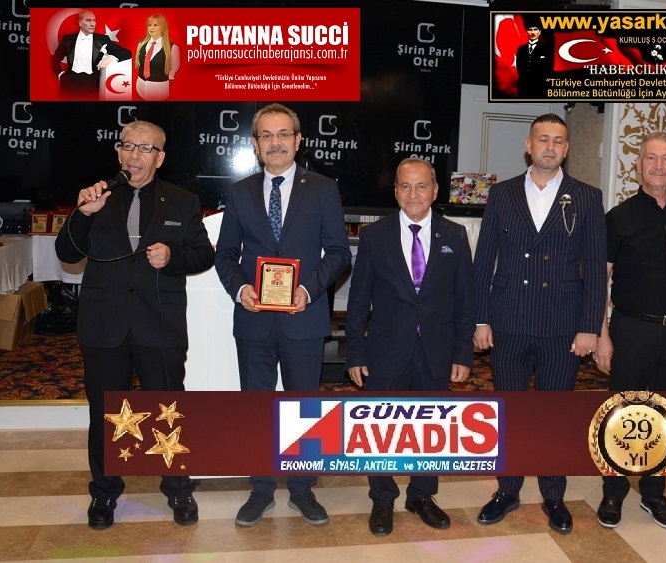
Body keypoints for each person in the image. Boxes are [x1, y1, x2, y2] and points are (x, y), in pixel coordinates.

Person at [54, 120, 215, 529]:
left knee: (168, 410)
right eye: (128, 146)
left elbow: (203, 254)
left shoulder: (182, 200)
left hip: (158, 323)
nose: (134, 155)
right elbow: (67, 254)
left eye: (145, 148)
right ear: (118, 152)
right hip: (103, 324)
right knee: (105, 412)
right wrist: (82, 214)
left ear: (160, 158)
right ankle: (104, 492)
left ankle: (178, 488)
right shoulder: (97, 197)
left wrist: (173, 257)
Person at [215, 103, 351, 528]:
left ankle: (302, 488)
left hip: (303, 319)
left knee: (304, 407)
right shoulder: (240, 192)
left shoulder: (323, 189)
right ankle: (259, 489)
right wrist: (241, 289)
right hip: (253, 319)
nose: (275, 143)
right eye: (267, 135)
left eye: (283, 134)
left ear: (298, 140)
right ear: (256, 144)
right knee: (256, 406)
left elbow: (338, 253)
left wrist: (307, 290)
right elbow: (225, 255)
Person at [472, 113, 607, 533]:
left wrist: (590, 326)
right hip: (509, 320)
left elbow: (595, 268)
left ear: (566, 149)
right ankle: (507, 490)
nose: (550, 147)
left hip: (562, 325)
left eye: (558, 140)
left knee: (553, 415)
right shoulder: (502, 194)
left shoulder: (586, 196)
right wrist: (480, 318)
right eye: (543, 139)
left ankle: (553, 496)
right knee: (509, 412)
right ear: (528, 145)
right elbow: (484, 260)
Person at [345, 158, 475, 536]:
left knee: (431, 427)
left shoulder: (455, 235)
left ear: (435, 191)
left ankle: (421, 495)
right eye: (405, 186)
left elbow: (465, 301)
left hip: (437, 349)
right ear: (395, 191)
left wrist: (462, 353)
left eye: (421, 186)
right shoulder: (375, 236)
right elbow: (358, 300)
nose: (413, 194)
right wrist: (355, 351)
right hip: (385, 349)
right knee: (381, 427)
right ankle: (382, 497)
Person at [594, 132, 666, 530]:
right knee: (622, 412)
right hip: (631, 330)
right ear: (638, 165)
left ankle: (654, 492)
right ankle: (613, 491)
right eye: (651, 158)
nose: (659, 166)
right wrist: (602, 335)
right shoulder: (618, 217)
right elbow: (601, 280)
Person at [51, 10, 131, 100]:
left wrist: (110, 58)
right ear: (80, 23)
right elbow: (56, 58)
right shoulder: (68, 39)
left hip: (92, 83)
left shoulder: (103, 39)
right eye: (88, 20)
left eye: (94, 20)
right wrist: (60, 74)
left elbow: (127, 52)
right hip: (69, 83)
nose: (93, 24)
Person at [135, 14, 180, 101]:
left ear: (162, 27)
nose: (152, 28)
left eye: (155, 25)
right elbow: (139, 63)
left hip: (159, 90)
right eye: (149, 25)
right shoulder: (141, 44)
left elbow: (174, 67)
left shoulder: (172, 48)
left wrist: (163, 77)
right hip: (140, 87)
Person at [515, 23, 552, 99]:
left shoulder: (545, 49)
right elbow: (519, 66)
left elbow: (548, 68)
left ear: (539, 32)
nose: (532, 32)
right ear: (527, 32)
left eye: (535, 30)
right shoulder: (521, 49)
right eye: (530, 30)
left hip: (539, 86)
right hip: (524, 86)